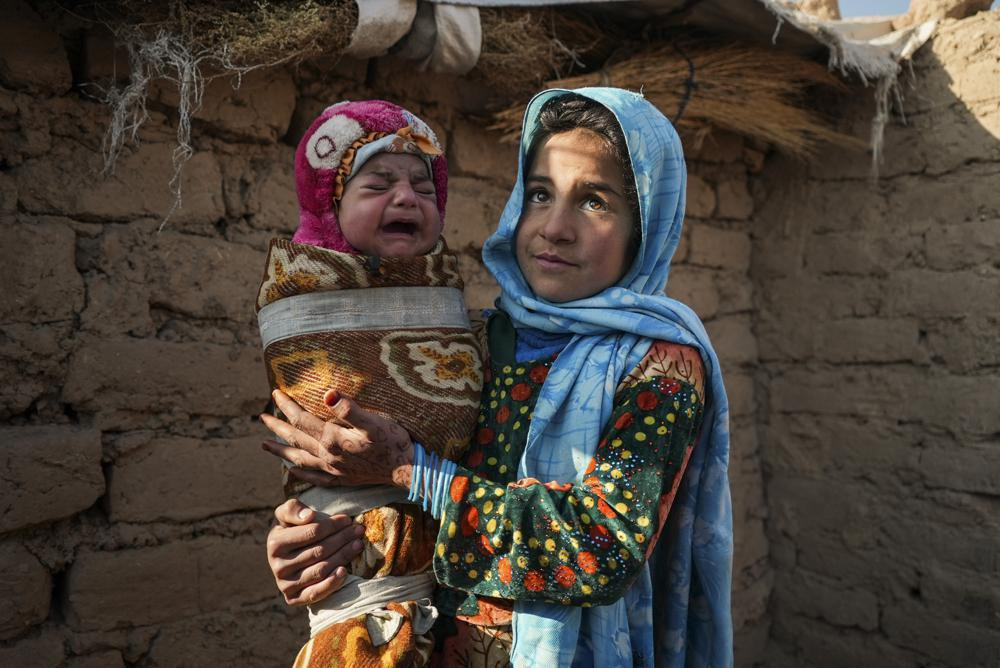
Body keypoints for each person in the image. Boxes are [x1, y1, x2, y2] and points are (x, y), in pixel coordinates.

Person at [261, 87, 734, 667]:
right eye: (540, 194)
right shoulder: (472, 341)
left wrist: (410, 471)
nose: (554, 228)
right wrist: (311, 540)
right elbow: (378, 492)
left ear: (646, 225)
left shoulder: (661, 368)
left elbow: (600, 548)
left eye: (594, 201)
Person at [256, 99, 483, 667]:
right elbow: (322, 430)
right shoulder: (308, 298)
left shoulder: (473, 325)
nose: (407, 198)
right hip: (360, 584)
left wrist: (404, 466)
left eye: (424, 189)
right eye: (378, 183)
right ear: (329, 209)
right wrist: (296, 528)